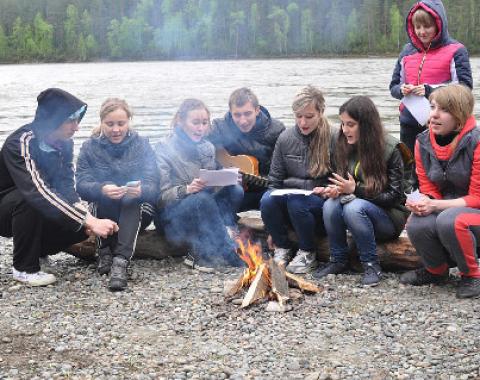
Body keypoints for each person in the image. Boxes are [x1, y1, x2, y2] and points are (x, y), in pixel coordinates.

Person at [0, 88, 118, 286]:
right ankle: (24, 269)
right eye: (71, 120)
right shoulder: (21, 142)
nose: (77, 127)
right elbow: (36, 190)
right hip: (7, 210)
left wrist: (86, 217)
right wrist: (87, 219)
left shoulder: (65, 144)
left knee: (82, 228)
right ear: (52, 119)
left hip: (37, 204)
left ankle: (38, 250)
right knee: (28, 199)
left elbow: (65, 186)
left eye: (78, 119)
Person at [313, 96, 411, 286]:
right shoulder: (343, 144)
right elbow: (344, 184)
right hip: (359, 210)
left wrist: (354, 190)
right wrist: (334, 190)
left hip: (390, 217)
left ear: (366, 125)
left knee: (353, 207)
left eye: (351, 124)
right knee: (330, 204)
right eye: (342, 124)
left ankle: (371, 264)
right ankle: (338, 259)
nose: (344, 130)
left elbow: (395, 197)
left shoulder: (391, 149)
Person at [400, 84, 480, 299]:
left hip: (474, 210)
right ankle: (436, 271)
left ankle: (472, 275)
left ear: (460, 116)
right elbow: (428, 188)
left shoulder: (477, 141)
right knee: (417, 223)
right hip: (449, 206)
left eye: (443, 110)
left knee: (450, 220)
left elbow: (477, 198)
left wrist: (435, 205)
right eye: (433, 106)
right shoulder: (422, 141)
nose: (434, 114)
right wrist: (423, 203)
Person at [75, 98, 158, 291]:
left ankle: (120, 262)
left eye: (121, 124)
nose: (116, 129)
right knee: (99, 197)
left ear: (129, 121)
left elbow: (154, 186)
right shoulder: (90, 146)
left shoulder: (142, 144)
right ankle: (104, 251)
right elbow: (80, 185)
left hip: (138, 209)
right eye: (110, 124)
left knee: (130, 199)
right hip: (104, 210)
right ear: (101, 122)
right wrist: (102, 188)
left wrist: (141, 190)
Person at [155, 99, 244, 271]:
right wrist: (186, 189)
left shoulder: (208, 147)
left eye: (204, 123)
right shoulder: (164, 148)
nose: (201, 128)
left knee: (235, 190)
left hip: (204, 207)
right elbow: (160, 198)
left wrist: (228, 178)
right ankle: (226, 251)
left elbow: (211, 182)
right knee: (202, 199)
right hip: (172, 214)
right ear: (181, 121)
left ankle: (219, 236)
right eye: (195, 122)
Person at [260, 86, 337, 274]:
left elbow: (340, 178)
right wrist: (270, 229)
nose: (303, 122)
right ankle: (282, 247)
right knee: (266, 200)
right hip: (290, 199)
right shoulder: (285, 138)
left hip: (320, 203)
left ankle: (307, 252)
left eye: (309, 117)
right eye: (298, 116)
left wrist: (327, 191)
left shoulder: (334, 137)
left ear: (321, 112)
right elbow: (274, 181)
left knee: (297, 202)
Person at [389, 0, 472, 157]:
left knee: (439, 173)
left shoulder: (457, 50)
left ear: (439, 25)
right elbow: (393, 87)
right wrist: (402, 90)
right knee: (410, 174)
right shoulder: (406, 51)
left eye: (427, 26)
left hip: (442, 125)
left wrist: (430, 90)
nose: (422, 32)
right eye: (417, 27)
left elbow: (465, 88)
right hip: (408, 124)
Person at [208, 87, 285, 210]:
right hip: (232, 192)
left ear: (257, 110)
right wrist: (223, 172)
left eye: (247, 113)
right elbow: (199, 151)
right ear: (230, 112)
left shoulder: (276, 130)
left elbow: (282, 170)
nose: (243, 121)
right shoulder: (218, 127)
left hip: (263, 190)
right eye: (237, 115)